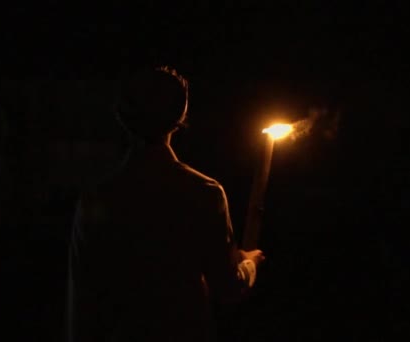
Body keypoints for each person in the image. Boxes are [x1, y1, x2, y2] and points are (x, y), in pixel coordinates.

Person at [66, 66, 265, 341]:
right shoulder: (203, 193)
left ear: (122, 117)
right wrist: (249, 266)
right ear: (180, 116)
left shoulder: (97, 197)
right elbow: (228, 288)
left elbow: (82, 298)